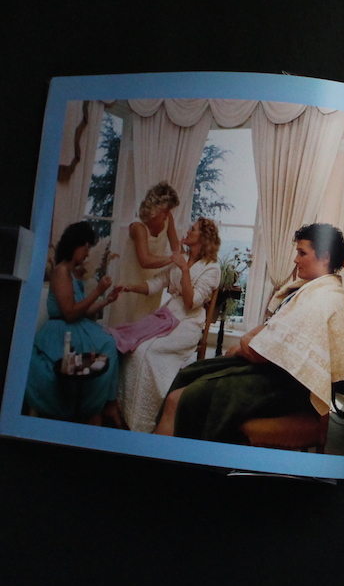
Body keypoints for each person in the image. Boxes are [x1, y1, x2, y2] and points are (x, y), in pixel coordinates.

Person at [153, 223, 344, 445]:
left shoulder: (322, 299)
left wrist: (244, 342)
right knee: (189, 374)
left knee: (181, 400)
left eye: (302, 253)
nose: (295, 260)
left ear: (325, 257)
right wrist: (246, 346)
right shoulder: (310, 290)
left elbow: (260, 354)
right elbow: (272, 328)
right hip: (270, 374)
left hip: (283, 387)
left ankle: (180, 458)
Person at [108, 218, 222, 433]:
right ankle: (125, 412)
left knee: (147, 352)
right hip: (168, 315)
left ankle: (147, 418)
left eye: (193, 229)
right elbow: (156, 283)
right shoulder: (181, 258)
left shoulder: (212, 269)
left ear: (203, 237)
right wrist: (128, 287)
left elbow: (191, 302)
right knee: (134, 347)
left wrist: (185, 270)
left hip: (189, 323)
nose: (188, 231)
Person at [25, 221, 121, 425]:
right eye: (85, 248)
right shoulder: (60, 271)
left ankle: (100, 405)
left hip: (78, 325)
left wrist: (106, 300)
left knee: (109, 344)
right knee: (102, 348)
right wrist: (97, 291)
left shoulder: (73, 273)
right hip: (62, 329)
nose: (87, 254)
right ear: (75, 245)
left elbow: (83, 311)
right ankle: (92, 408)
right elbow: (69, 313)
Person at [107, 182, 180, 326]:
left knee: (144, 328)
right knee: (124, 326)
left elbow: (176, 247)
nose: (167, 215)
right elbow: (145, 261)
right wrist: (173, 259)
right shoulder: (138, 227)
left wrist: (188, 262)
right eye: (165, 211)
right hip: (131, 282)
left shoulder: (168, 218)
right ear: (155, 209)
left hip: (151, 284)